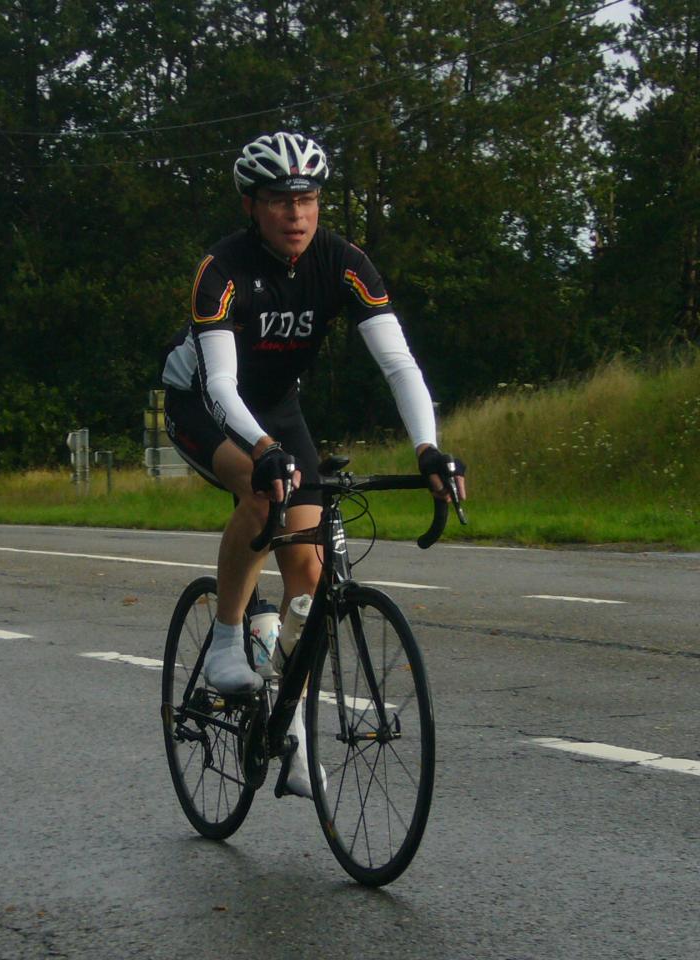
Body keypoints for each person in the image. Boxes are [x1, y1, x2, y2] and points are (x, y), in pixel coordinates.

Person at [160, 132, 467, 796]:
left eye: (307, 199)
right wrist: (263, 451)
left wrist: (427, 448)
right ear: (252, 205)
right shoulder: (222, 268)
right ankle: (226, 641)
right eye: (279, 200)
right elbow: (221, 385)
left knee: (310, 574)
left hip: (277, 407)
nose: (296, 214)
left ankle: (292, 731)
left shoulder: (344, 263)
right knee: (262, 493)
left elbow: (398, 364)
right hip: (203, 403)